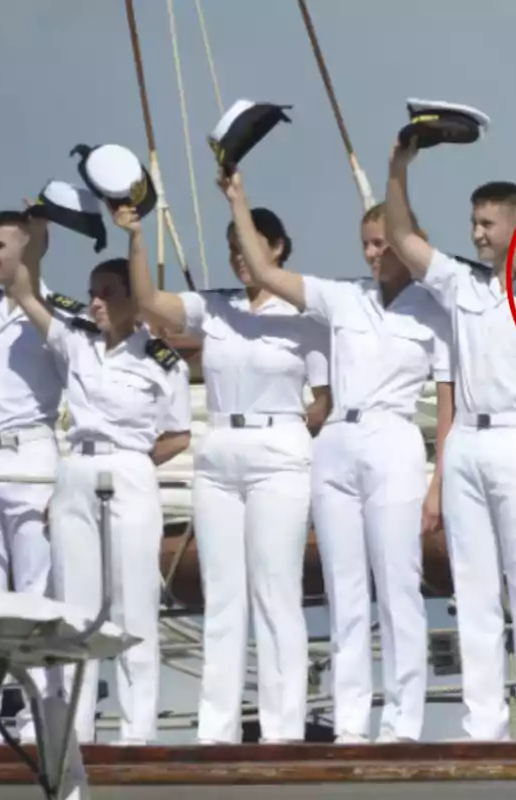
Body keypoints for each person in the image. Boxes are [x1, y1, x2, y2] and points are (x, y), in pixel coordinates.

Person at [227, 170, 453, 744]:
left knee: (397, 582)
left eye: (383, 243)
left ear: (409, 242)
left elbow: (449, 405)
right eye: (368, 244)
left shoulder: (437, 310)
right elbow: (267, 271)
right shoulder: (344, 296)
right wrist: (238, 200)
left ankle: (403, 719)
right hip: (337, 443)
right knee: (343, 588)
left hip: (394, 438)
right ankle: (351, 720)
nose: (374, 254)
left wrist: (438, 484)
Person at [383, 132, 516, 742]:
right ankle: (484, 722)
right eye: (473, 223)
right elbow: (401, 237)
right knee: (473, 589)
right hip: (467, 439)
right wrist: (399, 165)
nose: (478, 234)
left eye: (490, 223)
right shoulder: (462, 286)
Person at [126, 181, 332, 745]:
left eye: (251, 247)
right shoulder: (214, 308)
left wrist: (295, 429)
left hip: (278, 449)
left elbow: (325, 394)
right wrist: (138, 238)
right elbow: (150, 304)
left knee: (275, 588)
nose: (240, 258)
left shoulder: (305, 316)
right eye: (234, 249)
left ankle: (282, 728)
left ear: (279, 249)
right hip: (219, 450)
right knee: (222, 595)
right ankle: (215, 730)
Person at [8, 206, 191, 745]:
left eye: (108, 292)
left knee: (133, 607)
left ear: (133, 301)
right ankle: (75, 734)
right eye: (92, 291)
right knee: (75, 610)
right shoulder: (76, 342)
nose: (95, 301)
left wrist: (132, 463)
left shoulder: (162, 362)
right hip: (76, 469)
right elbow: (23, 290)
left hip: (129, 468)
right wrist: (35, 237)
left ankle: (138, 735)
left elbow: (178, 434)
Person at [0, 210, 85, 744]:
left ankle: (37, 716)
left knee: (35, 596)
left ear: (29, 249)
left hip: (30, 460)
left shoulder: (58, 314)